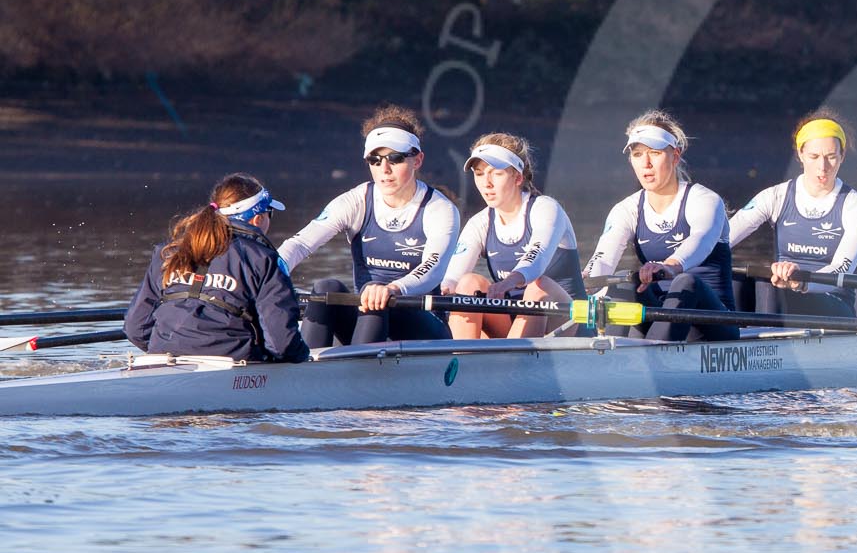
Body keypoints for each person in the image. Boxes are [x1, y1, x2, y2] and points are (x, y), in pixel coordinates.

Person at [279, 105, 462, 347]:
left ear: (418, 160)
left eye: (395, 158)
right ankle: (306, 372)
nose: (384, 169)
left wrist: (393, 289)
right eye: (375, 160)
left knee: (377, 295)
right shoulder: (355, 201)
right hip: (369, 318)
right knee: (326, 288)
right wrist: (265, 274)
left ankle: (356, 376)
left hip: (424, 327)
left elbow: (433, 269)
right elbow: (300, 244)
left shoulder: (440, 209)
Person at [584, 112, 737, 342]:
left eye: (654, 153)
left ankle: (649, 365)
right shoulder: (627, 209)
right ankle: (607, 358)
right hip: (662, 318)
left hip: (714, 323)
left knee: (685, 282)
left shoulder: (705, 200)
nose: (646, 163)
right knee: (624, 280)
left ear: (675, 156)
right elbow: (604, 257)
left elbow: (700, 240)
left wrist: (671, 266)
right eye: (637, 155)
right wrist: (588, 278)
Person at [124, 173, 308, 363]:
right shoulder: (262, 258)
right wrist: (303, 356)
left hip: (163, 359)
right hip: (232, 364)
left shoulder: (168, 252)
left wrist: (171, 346)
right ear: (258, 218)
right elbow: (281, 344)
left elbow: (135, 328)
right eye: (270, 212)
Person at [724, 109, 857, 318]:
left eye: (831, 157)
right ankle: (738, 338)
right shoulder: (775, 196)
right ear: (800, 154)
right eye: (814, 156)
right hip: (782, 293)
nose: (823, 167)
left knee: (770, 283)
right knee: (738, 279)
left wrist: (800, 281)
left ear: (842, 156)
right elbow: (723, 240)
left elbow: (841, 269)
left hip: (834, 303)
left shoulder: (856, 207)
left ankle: (764, 342)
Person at [442, 133, 586, 339]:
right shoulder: (480, 223)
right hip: (514, 325)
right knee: (468, 283)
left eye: (496, 174)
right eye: (480, 174)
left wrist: (509, 281)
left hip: (568, 323)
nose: (487, 183)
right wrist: (444, 288)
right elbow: (453, 277)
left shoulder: (546, 209)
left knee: (538, 285)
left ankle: (509, 363)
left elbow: (536, 258)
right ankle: (462, 362)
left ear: (517, 177)